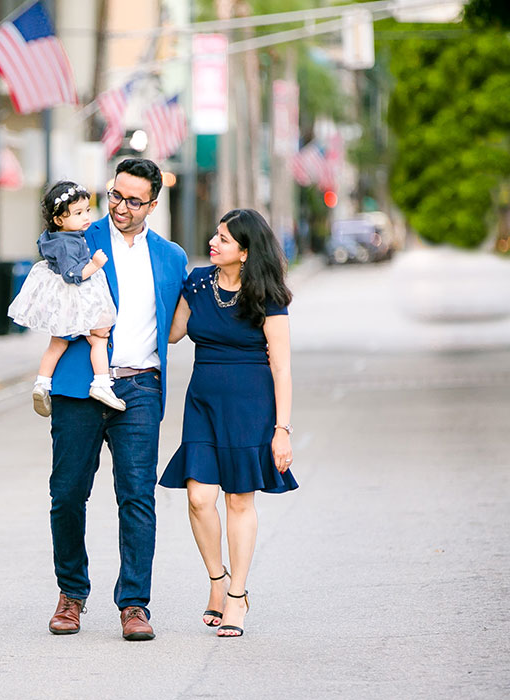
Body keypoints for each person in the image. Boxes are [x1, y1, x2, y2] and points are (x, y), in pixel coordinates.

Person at [44, 158, 188, 642]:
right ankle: (71, 592)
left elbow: (178, 326)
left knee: (137, 497)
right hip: (80, 386)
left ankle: (134, 604)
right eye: (115, 195)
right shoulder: (78, 238)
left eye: (132, 200)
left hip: (140, 385)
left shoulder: (171, 258)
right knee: (67, 494)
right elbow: (50, 297)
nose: (120, 207)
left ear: (152, 203)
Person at [159, 208, 298, 639]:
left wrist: (282, 429)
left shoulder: (266, 294)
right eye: (215, 234)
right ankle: (217, 581)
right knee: (199, 496)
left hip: (251, 405)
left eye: (223, 239)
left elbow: (282, 365)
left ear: (245, 251)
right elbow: (172, 332)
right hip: (203, 402)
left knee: (239, 499)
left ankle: (237, 596)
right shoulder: (198, 282)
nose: (213, 243)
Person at [8, 181, 125, 415]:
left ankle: (42, 383)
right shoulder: (68, 243)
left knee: (58, 343)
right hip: (76, 296)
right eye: (78, 213)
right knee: (100, 336)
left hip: (62, 300)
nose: (85, 217)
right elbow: (74, 275)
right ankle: (101, 383)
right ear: (59, 220)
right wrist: (95, 264)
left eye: (87, 210)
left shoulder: (53, 237)